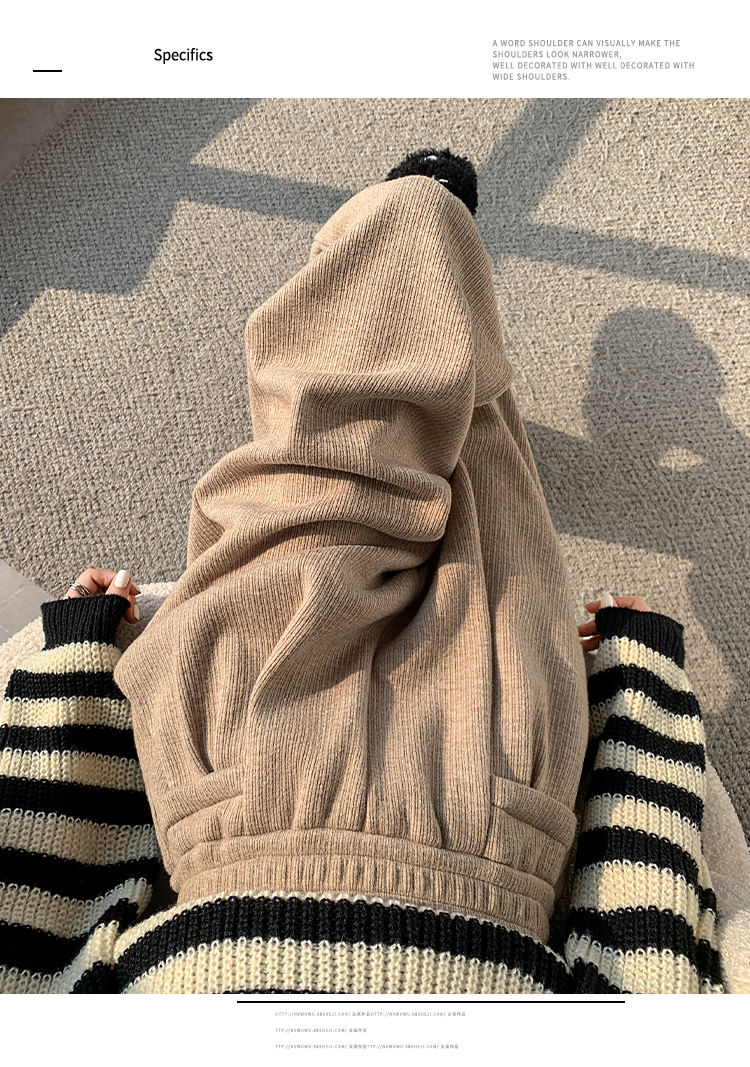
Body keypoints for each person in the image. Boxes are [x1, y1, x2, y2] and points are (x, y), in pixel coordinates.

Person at [0, 152, 722, 994]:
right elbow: (650, 969)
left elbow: (28, 929)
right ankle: (427, 255)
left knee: (328, 474)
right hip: (489, 825)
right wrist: (645, 694)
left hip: (242, 801)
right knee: (482, 484)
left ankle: (415, 240)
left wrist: (72, 671)